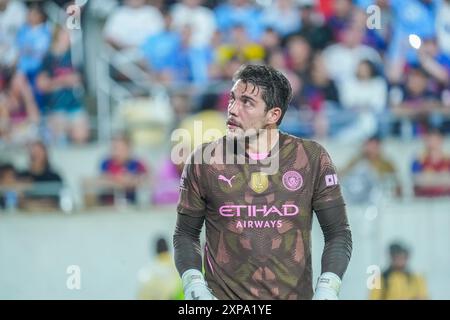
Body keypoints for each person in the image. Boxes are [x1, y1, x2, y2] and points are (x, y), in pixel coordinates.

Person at [173, 64, 352, 300]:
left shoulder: (311, 158)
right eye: (232, 99)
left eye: (247, 102)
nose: (233, 109)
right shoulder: (204, 161)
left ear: (273, 115)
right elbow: (185, 234)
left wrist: (328, 288)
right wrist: (193, 284)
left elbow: (338, 233)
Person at [18, 140, 63, 210]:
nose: (36, 155)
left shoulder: (54, 177)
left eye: (39, 152)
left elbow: (56, 201)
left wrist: (32, 204)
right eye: (34, 152)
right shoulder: (22, 176)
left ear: (46, 155)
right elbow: (19, 201)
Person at [411, 127, 450, 197]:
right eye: (430, 139)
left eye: (435, 139)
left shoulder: (447, 160)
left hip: (445, 199)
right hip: (424, 200)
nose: (433, 142)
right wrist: (442, 179)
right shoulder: (418, 160)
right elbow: (415, 181)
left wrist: (431, 180)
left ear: (441, 140)